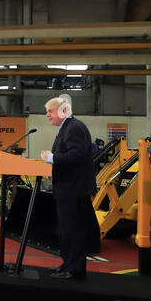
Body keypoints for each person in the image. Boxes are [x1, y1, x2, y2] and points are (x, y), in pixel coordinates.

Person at [40, 94, 100, 280]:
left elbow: (77, 156)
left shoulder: (74, 128)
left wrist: (52, 157)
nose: (48, 115)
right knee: (66, 230)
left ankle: (75, 269)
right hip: (67, 189)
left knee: (73, 231)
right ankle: (67, 264)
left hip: (73, 190)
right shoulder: (66, 127)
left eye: (50, 111)